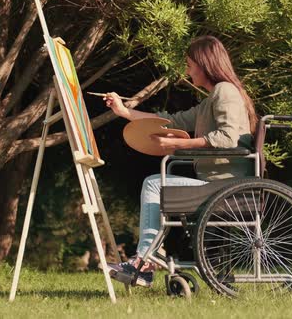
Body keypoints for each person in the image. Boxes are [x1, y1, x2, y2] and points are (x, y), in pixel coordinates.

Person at [104, 35, 258, 287]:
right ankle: (146, 260)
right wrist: (123, 112)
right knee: (156, 182)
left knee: (154, 184)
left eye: (189, 65)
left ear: (204, 64)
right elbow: (170, 121)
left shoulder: (225, 91)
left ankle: (144, 262)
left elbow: (228, 137)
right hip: (218, 186)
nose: (187, 71)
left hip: (225, 189)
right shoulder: (212, 98)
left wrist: (178, 144)